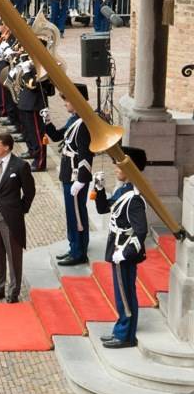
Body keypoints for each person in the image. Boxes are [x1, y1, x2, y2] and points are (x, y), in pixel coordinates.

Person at [93, 148, 149, 349]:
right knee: (121, 294)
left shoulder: (134, 198)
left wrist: (124, 253)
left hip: (123, 252)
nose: (115, 167)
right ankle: (121, 329)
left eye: (120, 165)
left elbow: (141, 231)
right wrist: (99, 189)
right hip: (117, 249)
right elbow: (103, 208)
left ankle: (126, 335)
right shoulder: (124, 190)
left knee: (125, 296)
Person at [42, 85, 95, 267]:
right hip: (69, 174)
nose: (65, 104)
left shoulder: (83, 124)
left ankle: (78, 252)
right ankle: (75, 246)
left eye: (67, 100)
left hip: (75, 177)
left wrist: (81, 180)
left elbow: (86, 155)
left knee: (76, 215)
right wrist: (47, 122)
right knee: (74, 213)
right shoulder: (74, 120)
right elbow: (58, 136)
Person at [0, 132, 37, 302]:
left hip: (11, 217)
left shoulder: (20, 166)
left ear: (6, 147)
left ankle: (13, 291)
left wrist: (20, 210)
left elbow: (29, 191)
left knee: (13, 255)